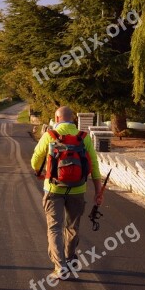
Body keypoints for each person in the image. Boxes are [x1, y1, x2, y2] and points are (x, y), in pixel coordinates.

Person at [30, 106, 103, 279]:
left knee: (54, 227)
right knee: (72, 227)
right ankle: (70, 259)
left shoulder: (50, 135)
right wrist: (98, 191)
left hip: (54, 188)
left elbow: (35, 161)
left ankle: (59, 266)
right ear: (74, 120)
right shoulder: (83, 138)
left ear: (56, 119)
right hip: (78, 190)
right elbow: (94, 165)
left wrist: (44, 172)